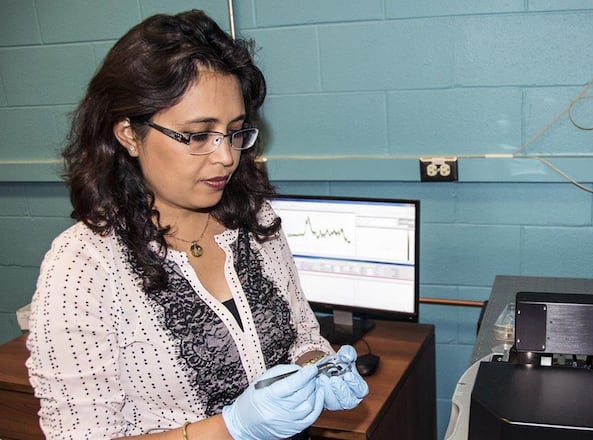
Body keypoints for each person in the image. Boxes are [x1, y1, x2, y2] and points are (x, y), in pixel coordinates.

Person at [25, 9, 368, 440]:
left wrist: (319, 364)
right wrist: (230, 429)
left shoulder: (252, 218)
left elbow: (300, 332)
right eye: (199, 135)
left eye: (235, 132)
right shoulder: (84, 267)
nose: (226, 156)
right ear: (130, 134)